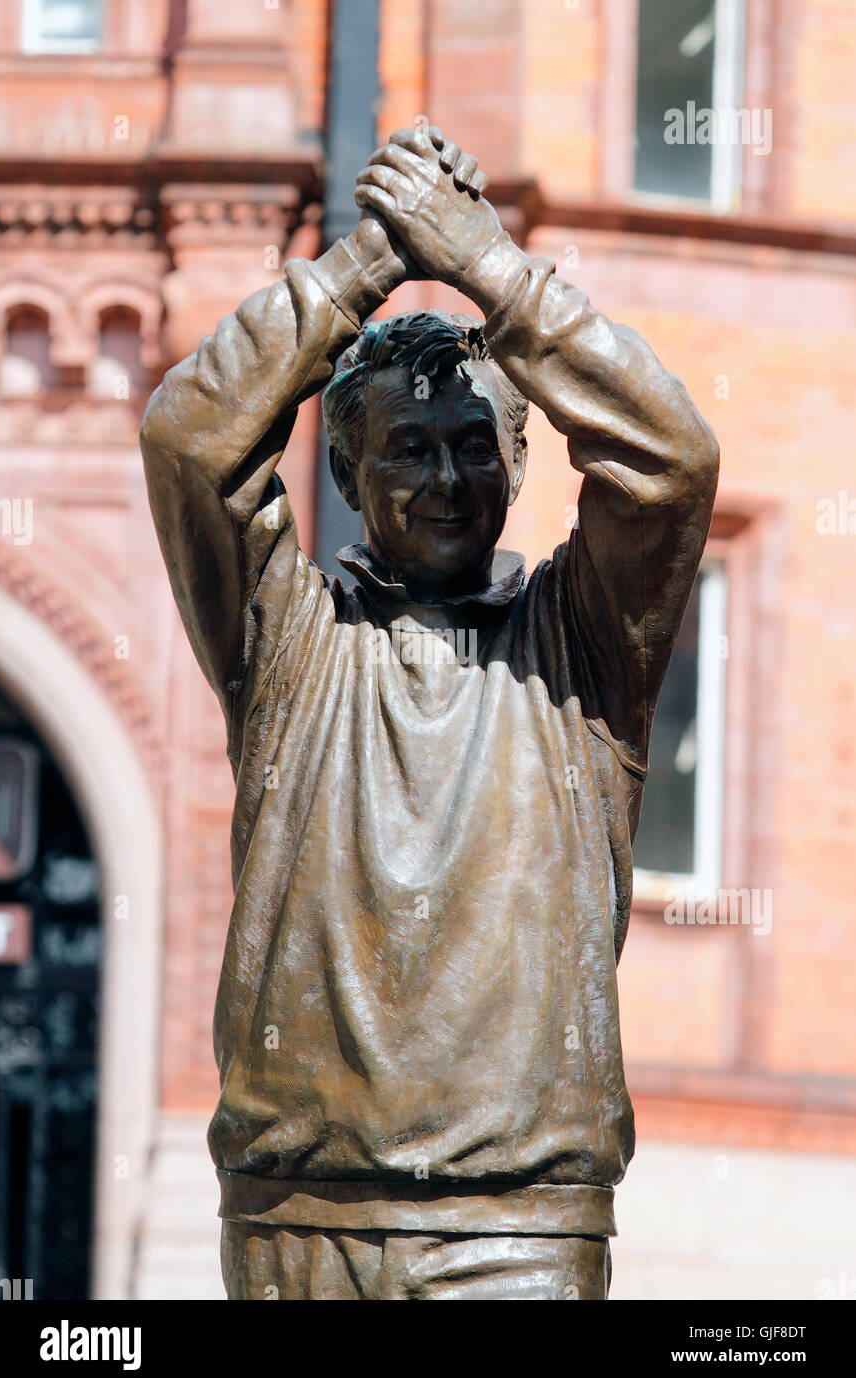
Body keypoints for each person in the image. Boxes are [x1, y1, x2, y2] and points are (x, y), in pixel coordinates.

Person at [140, 126, 719, 1300]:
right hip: (297, 1212)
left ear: (520, 453)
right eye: (406, 448)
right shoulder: (287, 641)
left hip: (518, 1225)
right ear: (347, 476)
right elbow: (190, 440)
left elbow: (670, 459)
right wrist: (367, 262)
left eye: (472, 446)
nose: (445, 481)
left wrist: (489, 271)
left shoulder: (585, 650)